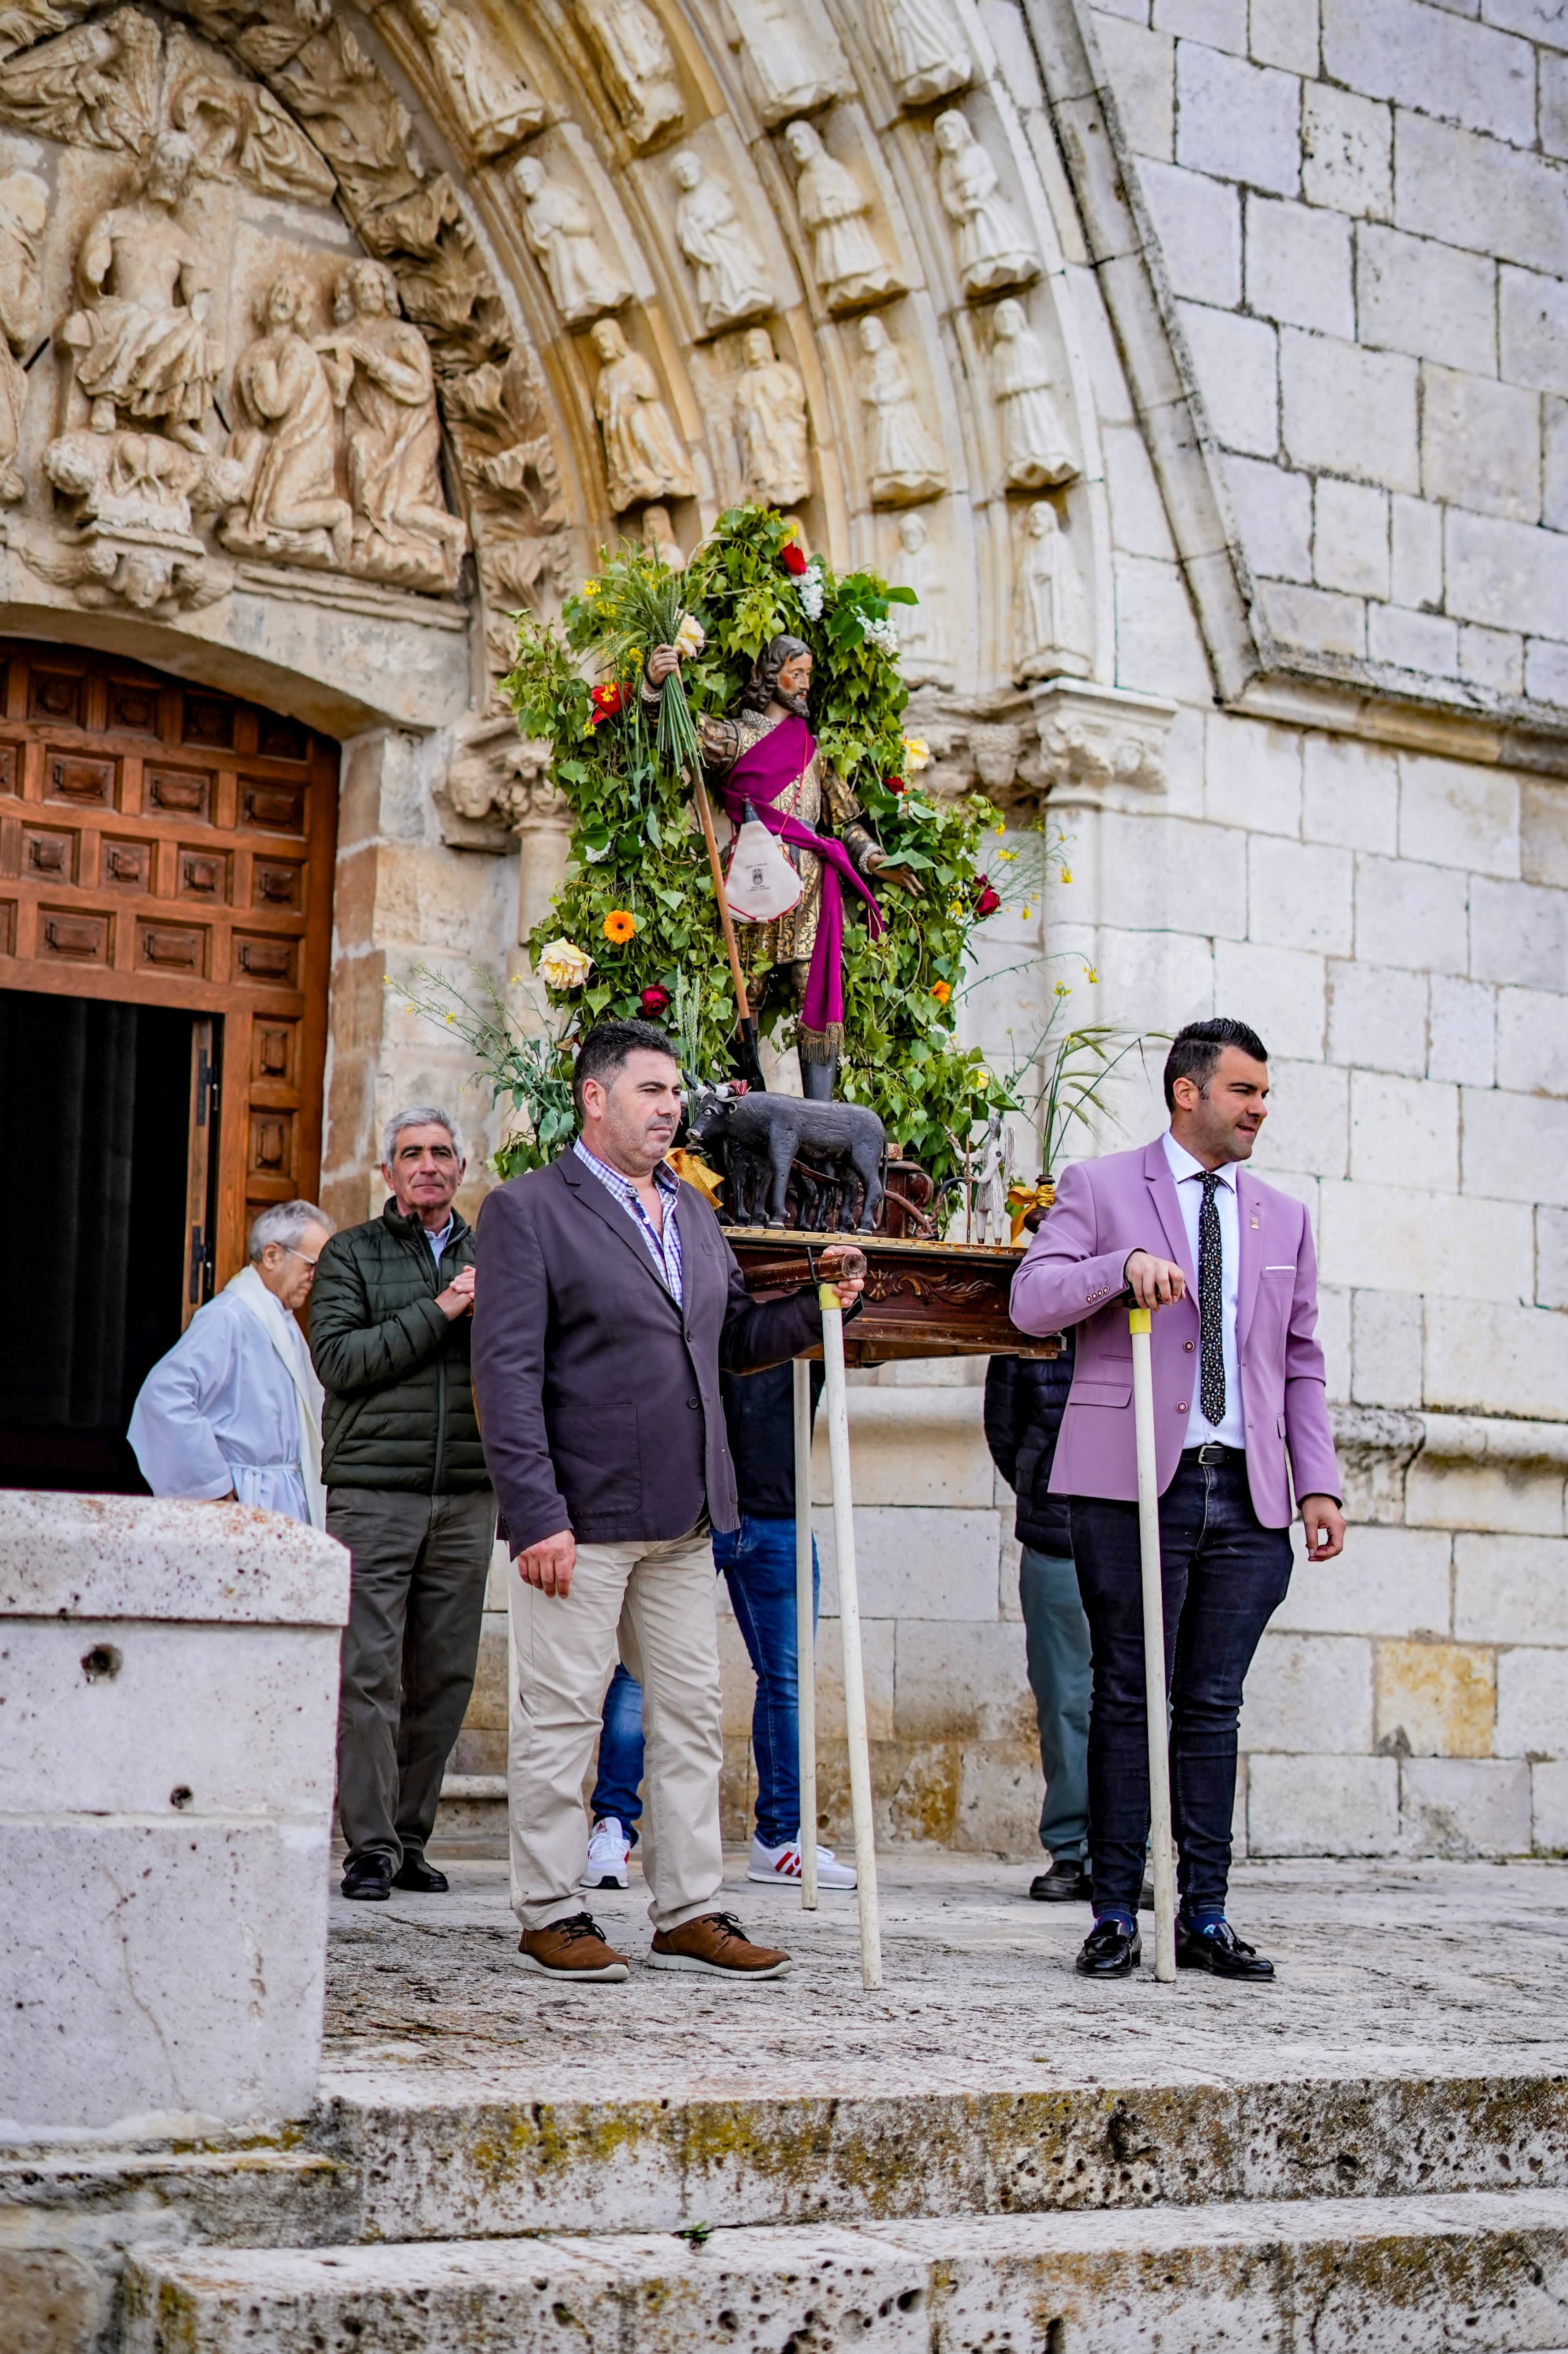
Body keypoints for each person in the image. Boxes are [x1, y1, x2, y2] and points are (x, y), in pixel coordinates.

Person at [471, 1019, 865, 1984]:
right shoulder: (528, 1211)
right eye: (651, 1090)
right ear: (594, 1098)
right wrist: (535, 1513)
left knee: (691, 1715)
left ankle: (688, 1906)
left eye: (675, 1091)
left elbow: (729, 1338)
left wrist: (820, 1304)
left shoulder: (692, 1209)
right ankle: (552, 1908)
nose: (671, 1107)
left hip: (688, 1518)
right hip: (581, 1517)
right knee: (562, 1720)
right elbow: (506, 1372)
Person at [1010, 1017, 1345, 1984]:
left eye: (1264, 1093)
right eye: (1244, 1091)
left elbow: (1300, 1362)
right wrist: (1115, 1274)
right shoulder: (1101, 1187)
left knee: (1211, 1704)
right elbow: (1030, 1302)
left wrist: (1316, 1481)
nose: (1259, 1110)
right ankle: (1113, 1910)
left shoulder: (1281, 1217)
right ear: (1187, 1092)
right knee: (1124, 1693)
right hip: (1128, 1483)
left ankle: (1204, 1912)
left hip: (1249, 1493)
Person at [581, 1360, 858, 1894]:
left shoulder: (803, 1295)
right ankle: (613, 1824)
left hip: (779, 1509)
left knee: (788, 1677)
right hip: (694, 1511)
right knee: (642, 1668)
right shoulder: (707, 1283)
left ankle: (780, 1837)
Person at [309, 1108, 493, 1904]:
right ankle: (370, 1849)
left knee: (444, 1677)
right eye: (411, 1154)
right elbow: (341, 1360)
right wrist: (447, 1309)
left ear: (462, 1170)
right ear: (388, 1174)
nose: (427, 1165)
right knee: (370, 1672)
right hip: (373, 1494)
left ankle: (413, 1839)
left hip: (468, 1493)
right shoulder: (351, 1254)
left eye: (441, 1154)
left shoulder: (498, 1254)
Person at [128, 1199, 332, 1524]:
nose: (315, 1277)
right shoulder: (228, 1317)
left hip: (282, 1499)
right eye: (311, 1264)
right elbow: (163, 1397)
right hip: (248, 1503)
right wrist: (212, 1487)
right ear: (272, 1255)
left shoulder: (282, 1320)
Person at [982, 1336, 1089, 1902]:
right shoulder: (1031, 1318)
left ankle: (1127, 1848)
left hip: (1145, 1532)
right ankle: (1070, 1850)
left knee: (1149, 1698)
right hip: (1058, 1530)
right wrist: (1040, 1485)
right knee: (1064, 1698)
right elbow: (1004, 1426)